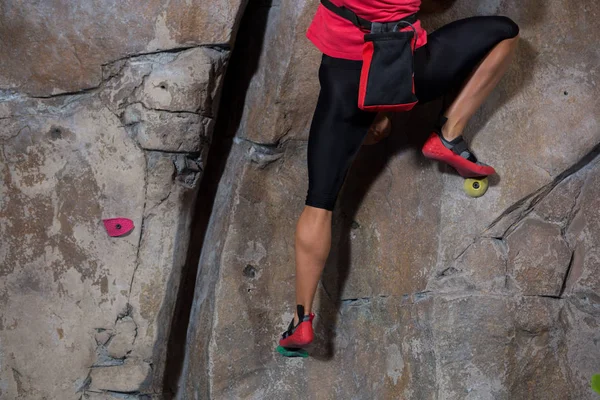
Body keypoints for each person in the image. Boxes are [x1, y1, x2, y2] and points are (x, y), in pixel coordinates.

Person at [279, 0, 519, 350]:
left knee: (318, 204)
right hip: (406, 70)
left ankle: (302, 321)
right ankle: (448, 134)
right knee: (506, 33)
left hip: (344, 77)